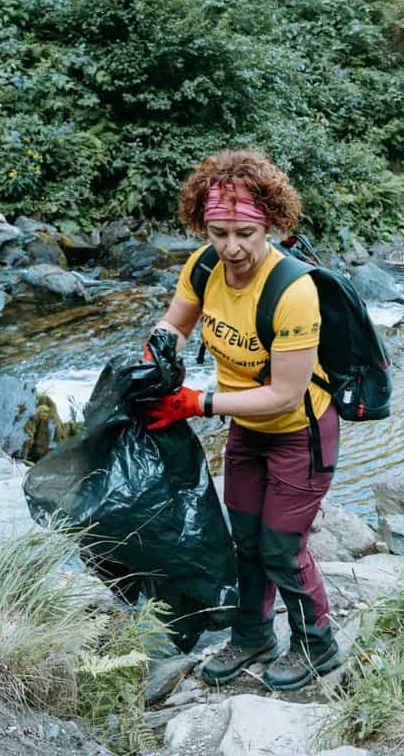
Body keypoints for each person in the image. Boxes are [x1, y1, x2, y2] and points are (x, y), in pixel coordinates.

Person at [139, 149, 340, 691]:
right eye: (218, 232)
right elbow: (176, 322)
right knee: (244, 539)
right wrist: (160, 344)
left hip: (301, 433)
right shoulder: (204, 265)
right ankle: (253, 634)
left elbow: (282, 394)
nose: (231, 248)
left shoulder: (293, 290)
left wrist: (196, 403)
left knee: (280, 546)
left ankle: (315, 645)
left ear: (269, 224)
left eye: (244, 234)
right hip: (247, 430)